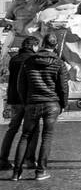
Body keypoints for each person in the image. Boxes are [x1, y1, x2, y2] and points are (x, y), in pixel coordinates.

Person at [12, 31, 69, 181]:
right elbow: (63, 87)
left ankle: (16, 173)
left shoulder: (29, 61)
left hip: (32, 102)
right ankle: (40, 171)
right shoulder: (58, 62)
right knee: (47, 137)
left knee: (25, 137)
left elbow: (21, 85)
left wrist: (26, 101)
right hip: (51, 103)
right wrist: (63, 103)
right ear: (55, 46)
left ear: (43, 44)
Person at [0, 36, 39, 173]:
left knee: (12, 129)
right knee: (32, 131)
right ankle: (29, 159)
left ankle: (3, 158)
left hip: (15, 99)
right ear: (34, 46)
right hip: (29, 99)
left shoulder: (14, 59)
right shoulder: (33, 59)